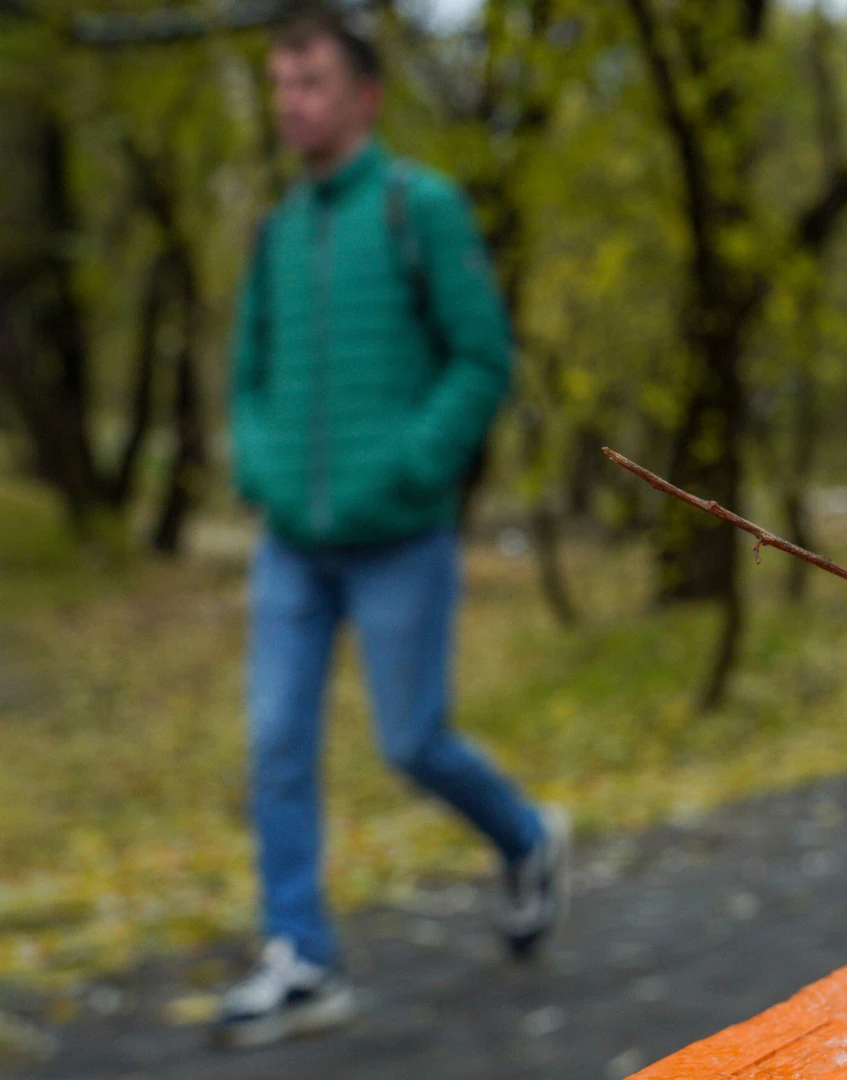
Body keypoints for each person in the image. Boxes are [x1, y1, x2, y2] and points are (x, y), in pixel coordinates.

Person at [218, 9, 567, 1048]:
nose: (293, 101)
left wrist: (413, 465)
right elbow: (247, 375)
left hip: (401, 536)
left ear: (365, 95)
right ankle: (302, 957)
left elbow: (482, 359)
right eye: (281, 83)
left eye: (312, 81)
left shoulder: (425, 208)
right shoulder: (279, 230)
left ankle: (525, 837)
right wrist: (260, 464)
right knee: (276, 741)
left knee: (411, 740)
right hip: (294, 542)